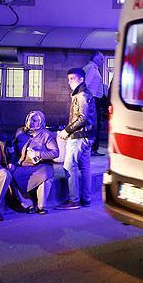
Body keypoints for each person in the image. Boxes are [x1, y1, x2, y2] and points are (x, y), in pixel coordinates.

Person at [57, 68, 97, 210]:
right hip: (87, 136)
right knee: (85, 168)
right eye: (68, 79)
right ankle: (86, 199)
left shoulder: (82, 95)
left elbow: (82, 118)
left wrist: (66, 131)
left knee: (69, 165)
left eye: (72, 79)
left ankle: (73, 200)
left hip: (79, 136)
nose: (69, 82)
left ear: (81, 79)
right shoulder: (83, 93)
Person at [11, 111, 59, 215]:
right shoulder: (20, 132)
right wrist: (11, 157)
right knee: (10, 174)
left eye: (34, 120)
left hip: (40, 166)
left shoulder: (47, 135)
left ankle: (41, 206)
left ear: (41, 122)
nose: (30, 122)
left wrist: (39, 154)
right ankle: (27, 204)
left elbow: (55, 153)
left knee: (46, 175)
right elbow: (13, 147)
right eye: (29, 119)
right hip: (23, 165)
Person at [83, 51, 107, 156]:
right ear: (96, 59)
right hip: (92, 99)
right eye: (101, 59)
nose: (103, 61)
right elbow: (86, 85)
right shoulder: (91, 69)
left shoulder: (93, 68)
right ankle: (92, 149)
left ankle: (92, 148)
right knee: (94, 124)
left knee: (94, 124)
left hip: (95, 99)